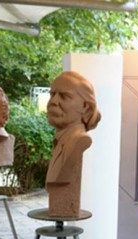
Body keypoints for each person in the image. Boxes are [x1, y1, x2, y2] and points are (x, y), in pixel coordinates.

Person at [45, 71, 101, 217]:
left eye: (64, 96)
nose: (53, 101)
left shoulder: (79, 141)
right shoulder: (61, 140)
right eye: (52, 94)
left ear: (85, 107)